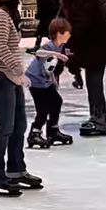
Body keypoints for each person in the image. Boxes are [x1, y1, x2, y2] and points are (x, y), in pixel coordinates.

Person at [0, 0, 43, 198]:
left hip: (8, 77)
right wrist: (19, 70)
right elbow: (0, 47)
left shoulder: (2, 14)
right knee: (4, 128)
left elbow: (8, 46)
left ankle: (16, 170)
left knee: (18, 125)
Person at [60, 0, 106, 137]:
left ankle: (100, 121)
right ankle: (97, 118)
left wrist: (71, 42)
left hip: (95, 46)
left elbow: (82, 22)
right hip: (95, 45)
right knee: (93, 82)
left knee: (94, 82)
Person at [26, 17, 73, 148]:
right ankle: (34, 133)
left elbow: (49, 67)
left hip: (44, 81)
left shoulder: (60, 46)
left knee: (56, 101)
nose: (70, 35)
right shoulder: (50, 46)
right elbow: (39, 52)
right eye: (67, 32)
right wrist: (56, 55)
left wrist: (53, 80)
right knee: (43, 108)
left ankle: (53, 130)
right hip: (35, 81)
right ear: (59, 33)